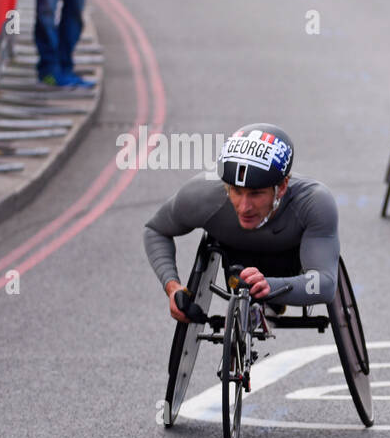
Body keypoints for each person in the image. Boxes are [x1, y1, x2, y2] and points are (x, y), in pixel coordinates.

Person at [145, 124, 340, 323]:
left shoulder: (314, 202)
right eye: (236, 191)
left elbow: (325, 284)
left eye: (256, 193)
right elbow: (155, 230)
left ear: (281, 187)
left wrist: (269, 286)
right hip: (235, 263)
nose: (244, 207)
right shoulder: (201, 196)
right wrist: (172, 286)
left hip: (287, 264)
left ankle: (270, 304)